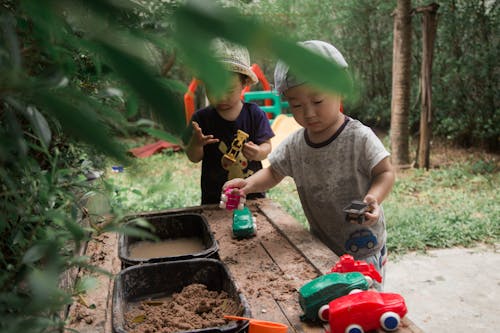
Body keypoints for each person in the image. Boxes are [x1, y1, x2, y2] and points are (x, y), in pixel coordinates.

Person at [223, 40, 395, 289]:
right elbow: (273, 172)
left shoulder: (359, 137)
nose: (309, 113)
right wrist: (247, 185)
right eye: (297, 105)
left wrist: (373, 198)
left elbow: (385, 172)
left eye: (317, 101)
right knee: (330, 301)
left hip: (364, 245)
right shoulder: (296, 144)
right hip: (322, 243)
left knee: (364, 301)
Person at [185, 39, 275, 205]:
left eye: (229, 90)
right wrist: (196, 144)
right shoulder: (201, 119)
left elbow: (267, 147)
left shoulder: (255, 114)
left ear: (244, 84)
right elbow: (194, 157)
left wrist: (258, 152)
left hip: (252, 196)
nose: (221, 97)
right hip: (215, 197)